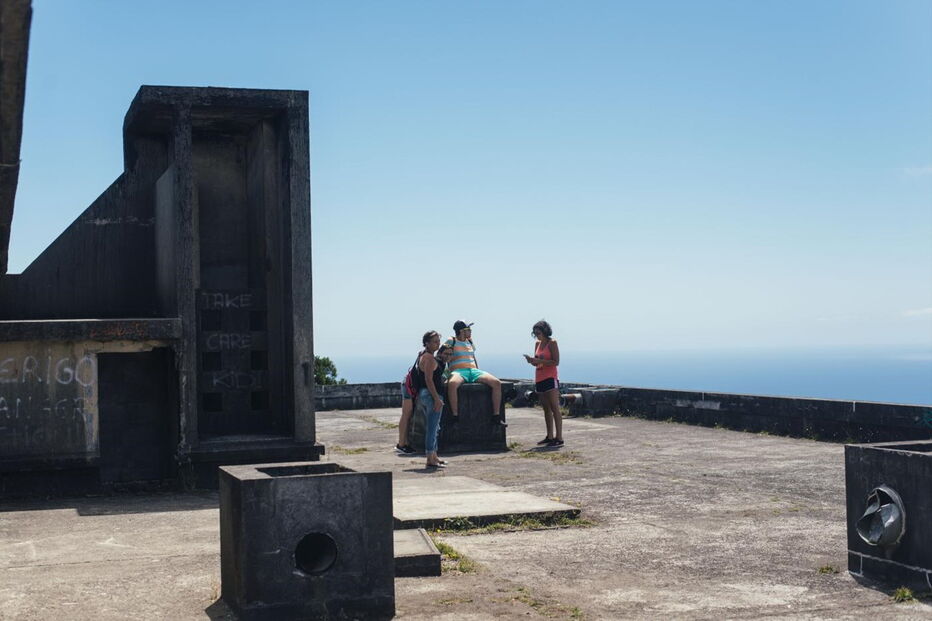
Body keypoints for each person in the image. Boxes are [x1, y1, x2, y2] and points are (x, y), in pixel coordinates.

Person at [444, 320, 506, 426]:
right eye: (468, 329)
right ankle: (455, 416)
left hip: (473, 370)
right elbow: (442, 355)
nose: (470, 331)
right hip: (458, 371)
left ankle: (496, 416)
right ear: (461, 331)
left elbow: (473, 357)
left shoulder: (470, 341)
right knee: (452, 384)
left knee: (496, 383)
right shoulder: (451, 341)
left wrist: (477, 369)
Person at [523, 319, 563, 447]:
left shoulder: (552, 343)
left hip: (550, 377)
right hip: (540, 377)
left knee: (554, 407)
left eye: (538, 332)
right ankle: (549, 436)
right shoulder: (537, 344)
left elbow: (555, 362)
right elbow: (537, 363)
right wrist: (532, 361)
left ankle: (559, 437)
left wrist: (540, 361)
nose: (537, 335)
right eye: (535, 333)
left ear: (545, 331)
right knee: (546, 409)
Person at [414, 330, 447, 468]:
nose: (437, 344)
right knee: (432, 427)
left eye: (438, 341)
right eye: (434, 341)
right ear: (427, 343)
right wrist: (436, 398)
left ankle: (434, 456)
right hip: (430, 395)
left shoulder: (425, 356)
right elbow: (428, 379)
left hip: (428, 394)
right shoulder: (428, 358)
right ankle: (430, 458)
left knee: (435, 426)